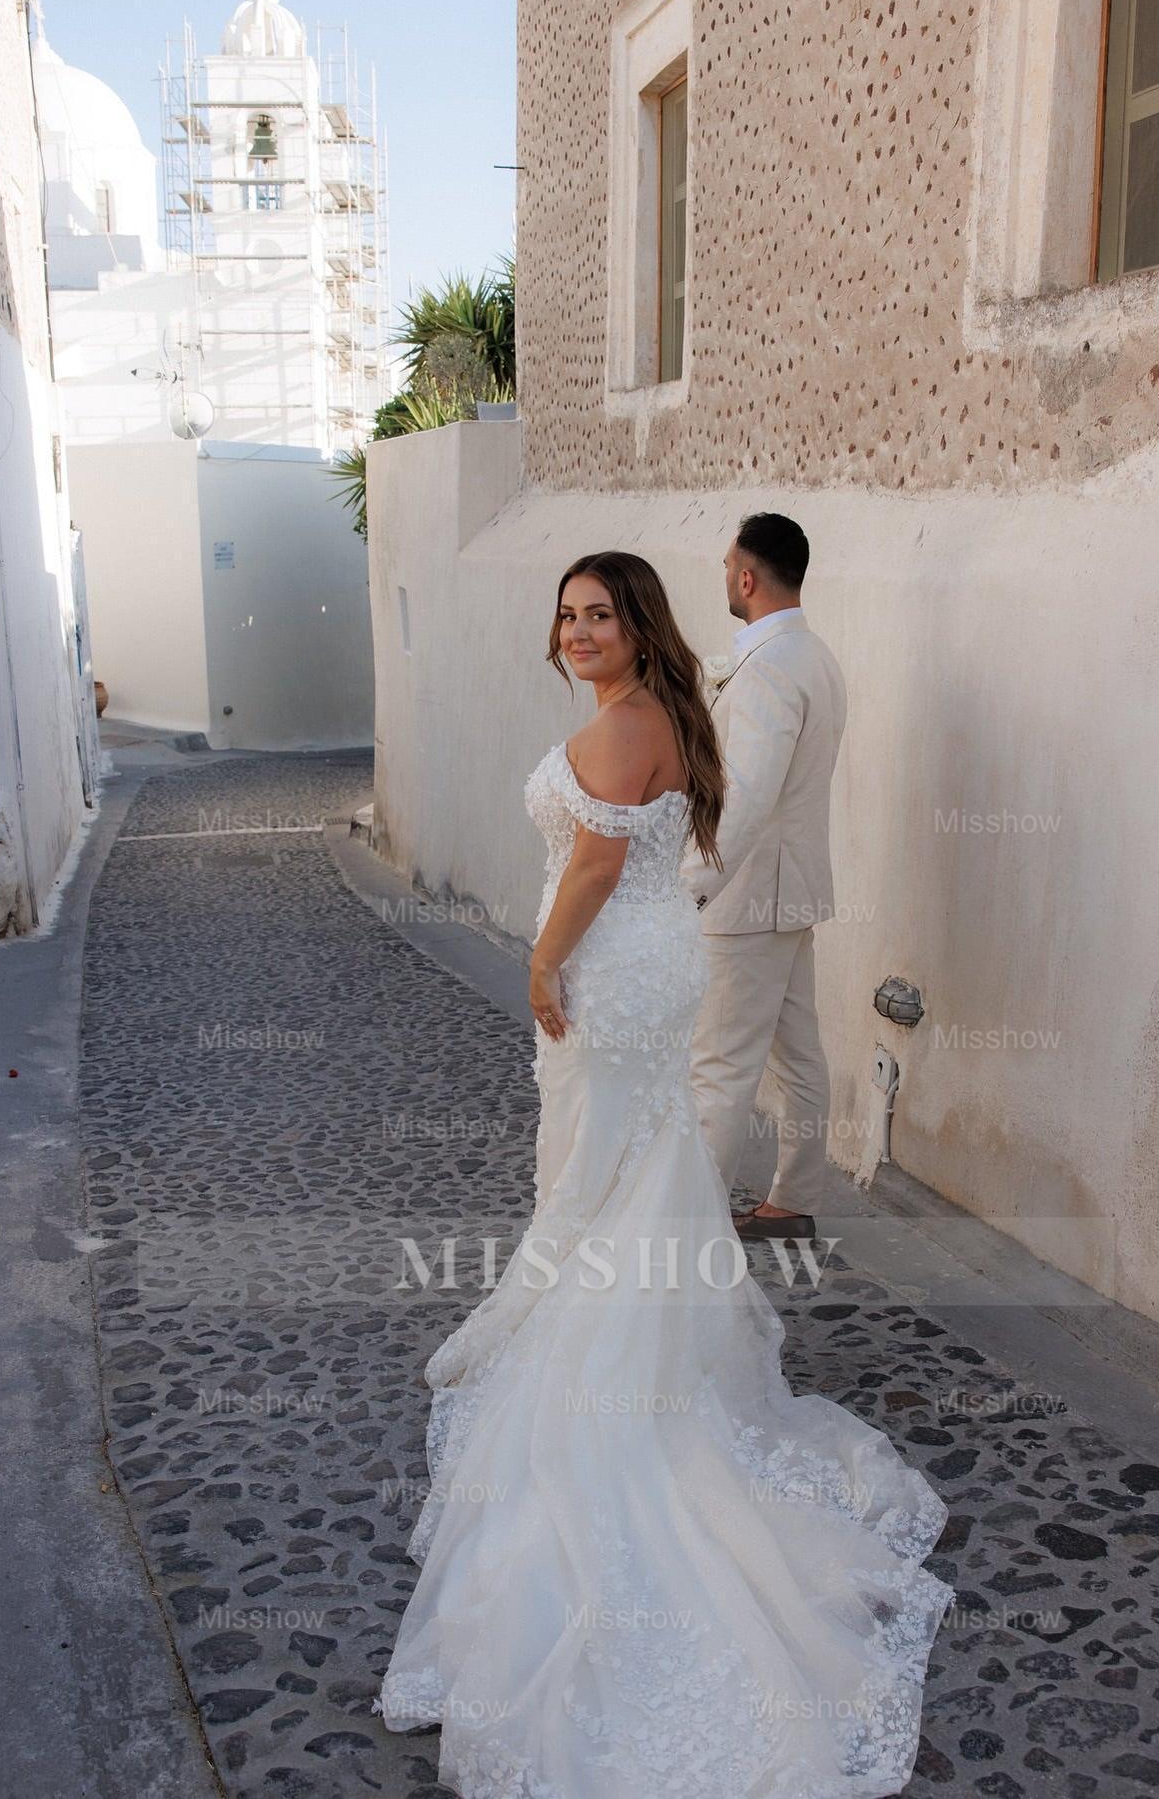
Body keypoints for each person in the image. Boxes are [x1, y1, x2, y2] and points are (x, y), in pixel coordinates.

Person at [374, 550, 949, 1798]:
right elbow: (630, 858)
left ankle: (602, 1388)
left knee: (595, 1172)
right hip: (648, 963)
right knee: (625, 1170)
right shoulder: (660, 713)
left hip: (610, 966)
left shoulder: (628, 723)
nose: (579, 630)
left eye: (601, 614)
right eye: (567, 613)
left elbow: (586, 866)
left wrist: (536, 964)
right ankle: (627, 1342)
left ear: (639, 627)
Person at [686, 513, 848, 1241]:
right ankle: (792, 1197)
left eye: (727, 566)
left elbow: (746, 793)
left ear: (747, 577)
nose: (724, 576)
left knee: (720, 1066)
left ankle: (689, 1227)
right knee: (799, 1053)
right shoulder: (816, 657)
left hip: (747, 896)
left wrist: (693, 881)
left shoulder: (774, 668)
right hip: (789, 890)